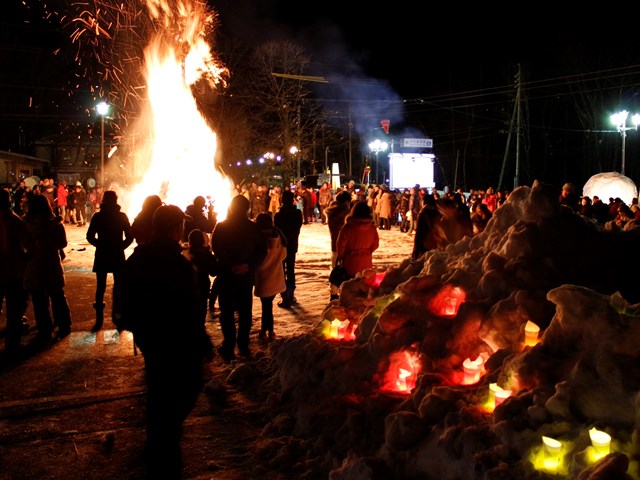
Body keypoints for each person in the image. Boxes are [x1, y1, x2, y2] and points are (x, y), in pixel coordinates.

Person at [120, 204, 213, 479]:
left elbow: (124, 294)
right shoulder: (176, 262)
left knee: (159, 387)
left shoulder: (138, 257)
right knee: (184, 388)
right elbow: (190, 307)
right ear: (175, 228)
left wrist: (134, 322)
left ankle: (158, 442)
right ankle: (165, 445)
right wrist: (202, 341)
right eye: (180, 225)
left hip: (150, 336)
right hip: (174, 338)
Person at [210, 195, 267, 360]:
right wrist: (248, 265)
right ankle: (243, 342)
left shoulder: (221, 227)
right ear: (247, 209)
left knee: (226, 311)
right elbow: (262, 250)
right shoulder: (253, 228)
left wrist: (231, 265)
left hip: (227, 276)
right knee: (244, 310)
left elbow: (217, 249)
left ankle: (229, 343)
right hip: (245, 276)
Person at [23, 194, 72, 345]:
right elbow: (62, 244)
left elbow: (23, 243)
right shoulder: (56, 224)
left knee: (39, 299)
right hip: (51, 262)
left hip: (34, 264)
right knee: (57, 295)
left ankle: (45, 328)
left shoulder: (26, 224)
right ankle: (63, 324)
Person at [86, 190, 134, 332]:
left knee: (100, 286)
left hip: (102, 254)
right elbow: (130, 236)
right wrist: (121, 247)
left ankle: (98, 320)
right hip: (117, 255)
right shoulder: (122, 216)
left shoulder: (98, 217)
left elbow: (89, 236)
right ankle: (119, 317)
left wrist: (100, 245)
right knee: (119, 286)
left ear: (104, 200)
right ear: (116, 200)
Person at [0, 188, 29, 356]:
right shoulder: (16, 221)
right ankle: (12, 346)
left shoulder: (17, 221)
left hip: (11, 271)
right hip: (13, 272)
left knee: (13, 309)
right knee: (14, 310)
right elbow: (30, 245)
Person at [254, 213, 287, 342]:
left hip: (264, 278)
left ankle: (267, 331)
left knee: (266, 306)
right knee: (267, 305)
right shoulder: (278, 235)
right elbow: (284, 255)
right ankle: (268, 330)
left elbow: (258, 259)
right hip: (276, 276)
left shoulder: (260, 238)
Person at [182, 228, 218, 326]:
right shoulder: (206, 254)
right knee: (201, 317)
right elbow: (214, 272)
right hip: (203, 288)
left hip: (187, 290)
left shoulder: (184, 253)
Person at [273, 189, 303, 308]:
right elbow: (298, 228)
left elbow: (276, 231)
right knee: (290, 270)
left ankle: (285, 296)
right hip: (292, 245)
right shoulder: (297, 214)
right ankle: (290, 295)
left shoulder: (279, 215)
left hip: (281, 246)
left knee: (282, 271)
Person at [336, 201, 379, 279]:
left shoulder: (348, 227)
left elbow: (341, 244)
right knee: (363, 285)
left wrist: (340, 256)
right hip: (366, 262)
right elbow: (376, 244)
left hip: (350, 262)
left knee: (350, 285)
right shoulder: (372, 227)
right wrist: (367, 252)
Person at [325, 190, 352, 300]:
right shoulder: (345, 213)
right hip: (345, 246)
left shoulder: (331, 211)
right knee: (345, 271)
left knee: (335, 270)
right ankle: (344, 293)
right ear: (346, 201)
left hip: (334, 245)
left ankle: (334, 293)